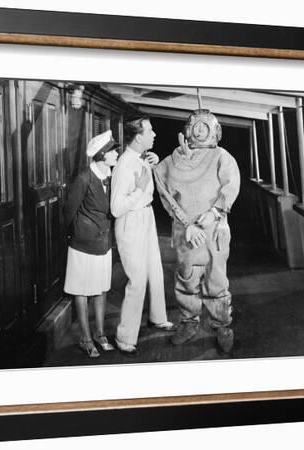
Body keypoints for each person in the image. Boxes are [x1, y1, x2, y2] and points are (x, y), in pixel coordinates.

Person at [154, 109, 240, 353]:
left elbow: (231, 185)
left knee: (216, 279)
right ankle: (189, 323)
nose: (200, 129)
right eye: (196, 125)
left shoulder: (222, 157)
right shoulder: (172, 160)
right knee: (186, 277)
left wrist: (215, 213)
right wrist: (185, 223)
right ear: (187, 129)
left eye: (206, 125)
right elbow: (163, 190)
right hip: (185, 232)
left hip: (213, 231)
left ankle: (222, 325)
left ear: (216, 130)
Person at [110, 116, 176, 356]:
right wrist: (139, 189)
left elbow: (151, 182)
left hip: (146, 217)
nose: (155, 135)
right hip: (131, 221)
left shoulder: (142, 159)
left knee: (155, 271)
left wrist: (154, 164)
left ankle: (158, 317)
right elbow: (116, 208)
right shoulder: (124, 165)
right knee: (137, 281)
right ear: (138, 137)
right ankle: (125, 336)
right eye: (150, 131)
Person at [63, 130, 119, 358]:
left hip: (104, 244)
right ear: (103, 154)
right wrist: (79, 234)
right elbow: (68, 213)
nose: (117, 154)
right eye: (114, 151)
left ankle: (99, 333)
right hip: (83, 245)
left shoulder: (111, 176)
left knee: (101, 288)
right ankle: (85, 338)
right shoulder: (84, 178)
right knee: (81, 291)